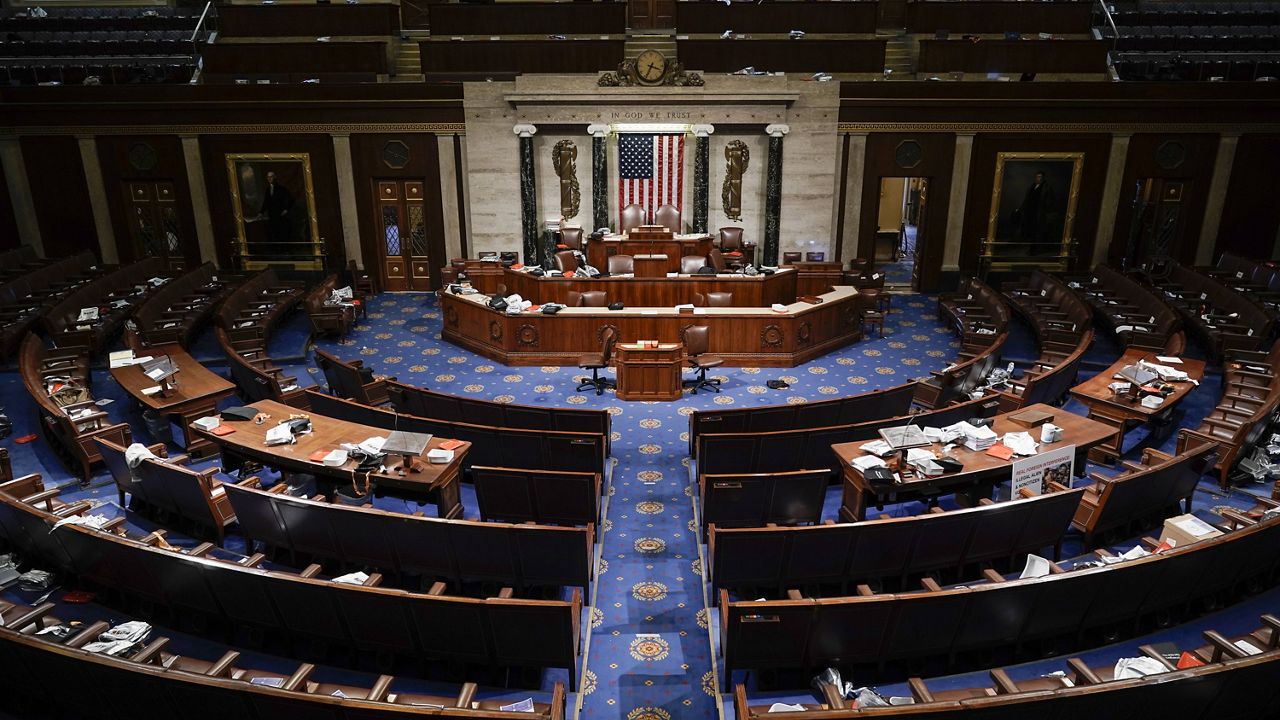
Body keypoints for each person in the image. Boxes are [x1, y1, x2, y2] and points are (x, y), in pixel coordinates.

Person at [1012, 170, 1058, 244]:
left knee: (1037, 228)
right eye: (1037, 177)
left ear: (1043, 178)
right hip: (1030, 210)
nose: (1038, 178)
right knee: (1025, 223)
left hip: (1039, 211)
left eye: (1040, 177)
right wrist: (1020, 208)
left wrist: (1046, 210)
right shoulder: (1032, 186)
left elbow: (1050, 201)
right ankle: (1024, 240)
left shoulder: (1047, 187)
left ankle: (1035, 244)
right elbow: (1027, 199)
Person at [260, 170, 295, 244]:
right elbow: (266, 202)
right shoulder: (267, 189)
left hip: (281, 215)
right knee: (274, 233)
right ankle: (277, 250)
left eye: (271, 177)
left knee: (282, 232)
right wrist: (261, 212)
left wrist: (286, 210)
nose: (269, 178)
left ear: (275, 177)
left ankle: (284, 249)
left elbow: (291, 199)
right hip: (272, 215)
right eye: (268, 177)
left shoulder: (281, 189)